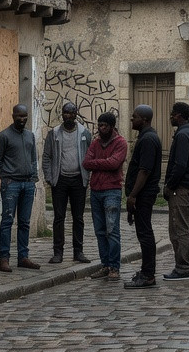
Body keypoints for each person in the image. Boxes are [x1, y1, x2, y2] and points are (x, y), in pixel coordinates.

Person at [0, 104, 41, 272]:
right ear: (13, 116)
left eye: (25, 116)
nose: (22, 119)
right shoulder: (4, 136)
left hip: (28, 183)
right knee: (7, 221)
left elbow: (34, 157)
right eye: (19, 116)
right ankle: (4, 258)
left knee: (25, 222)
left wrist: (34, 176)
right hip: (11, 183)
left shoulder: (30, 136)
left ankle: (23, 256)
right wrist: (5, 176)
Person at [42, 102, 93, 264]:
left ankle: (78, 251)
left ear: (76, 114)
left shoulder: (84, 132)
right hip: (60, 180)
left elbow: (91, 154)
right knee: (59, 217)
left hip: (79, 180)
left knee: (78, 218)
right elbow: (46, 156)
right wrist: (50, 177)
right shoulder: (54, 133)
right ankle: (58, 252)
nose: (68, 116)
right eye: (65, 113)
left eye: (71, 113)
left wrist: (87, 175)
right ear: (62, 114)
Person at [82, 112, 127, 280]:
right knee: (100, 231)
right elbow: (86, 163)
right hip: (96, 191)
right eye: (99, 125)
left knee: (112, 230)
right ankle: (105, 264)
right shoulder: (95, 144)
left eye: (104, 126)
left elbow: (115, 163)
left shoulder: (120, 143)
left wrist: (98, 164)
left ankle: (114, 267)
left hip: (112, 190)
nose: (101, 128)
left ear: (111, 126)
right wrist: (104, 163)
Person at [163, 102, 189, 281]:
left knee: (180, 229)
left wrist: (169, 185)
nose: (170, 117)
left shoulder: (182, 135)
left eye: (173, 114)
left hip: (182, 188)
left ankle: (183, 267)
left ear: (179, 115)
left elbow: (180, 165)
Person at [124, 105, 162, 289]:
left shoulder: (148, 139)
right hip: (143, 194)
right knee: (143, 233)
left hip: (144, 195)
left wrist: (133, 195)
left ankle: (148, 275)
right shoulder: (146, 137)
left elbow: (144, 171)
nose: (132, 119)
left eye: (135, 117)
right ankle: (146, 271)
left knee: (145, 234)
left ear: (144, 120)